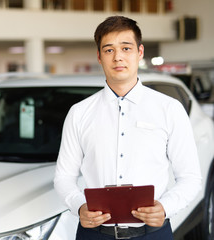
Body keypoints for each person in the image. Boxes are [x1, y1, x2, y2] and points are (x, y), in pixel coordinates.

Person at [54, 16, 202, 239]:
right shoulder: (79, 113)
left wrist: (165, 207)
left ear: (140, 52)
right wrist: (79, 207)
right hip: (94, 234)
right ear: (99, 56)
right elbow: (64, 177)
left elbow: (191, 178)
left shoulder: (169, 109)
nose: (118, 57)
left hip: (153, 233)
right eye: (109, 50)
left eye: (126, 48)